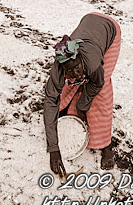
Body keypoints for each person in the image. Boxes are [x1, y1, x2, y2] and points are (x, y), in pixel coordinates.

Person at [44, 12, 121, 174]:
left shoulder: (92, 62)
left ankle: (106, 145)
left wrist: (83, 104)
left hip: (109, 31)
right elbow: (50, 100)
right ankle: (67, 110)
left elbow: (98, 82)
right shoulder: (58, 69)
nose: (76, 72)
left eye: (78, 67)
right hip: (89, 21)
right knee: (71, 83)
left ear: (80, 57)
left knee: (101, 93)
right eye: (69, 69)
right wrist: (54, 149)